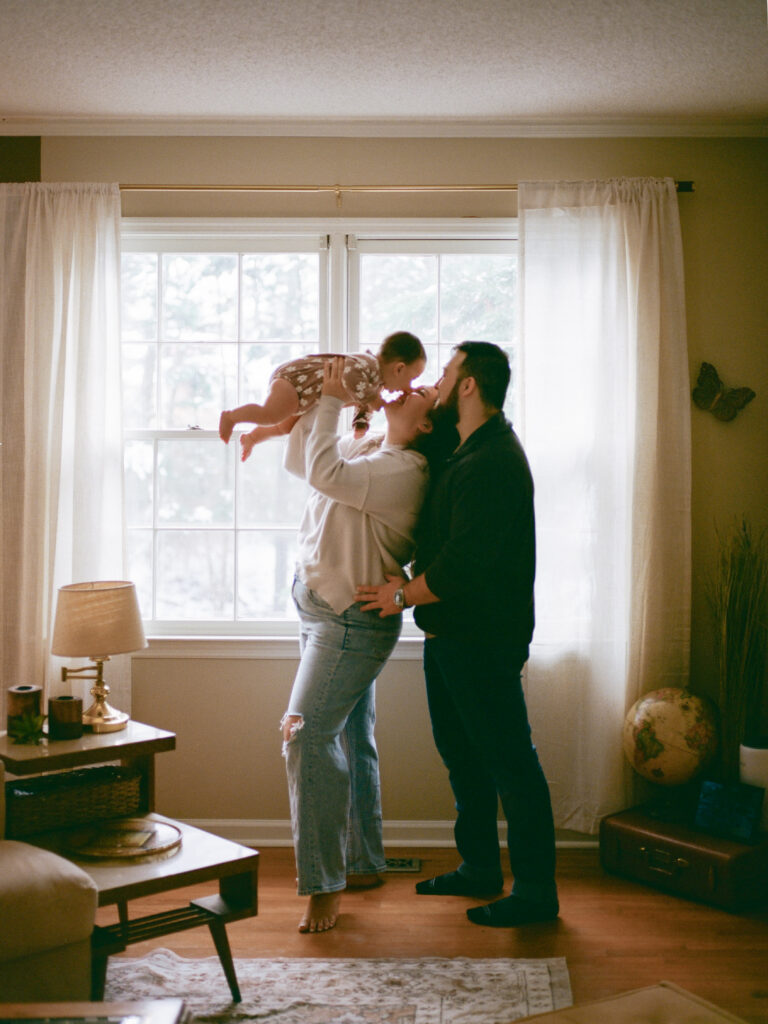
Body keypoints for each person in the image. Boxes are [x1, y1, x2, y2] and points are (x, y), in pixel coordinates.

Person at [355, 341, 559, 928]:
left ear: (470, 385)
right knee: (463, 758)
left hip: (483, 639)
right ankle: (479, 869)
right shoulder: (463, 448)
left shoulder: (495, 460)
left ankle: (537, 894)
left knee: (508, 761)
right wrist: (378, 396)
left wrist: (400, 595)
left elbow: (464, 565)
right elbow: (410, 430)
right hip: (450, 635)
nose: (438, 383)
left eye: (445, 373)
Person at [281, 356, 437, 934]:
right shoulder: (373, 446)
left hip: (348, 622)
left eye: (424, 395)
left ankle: (324, 886)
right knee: (348, 732)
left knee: (304, 734)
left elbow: (325, 472)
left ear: (425, 426)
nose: (411, 387)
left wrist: (327, 396)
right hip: (320, 604)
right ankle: (363, 861)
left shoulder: (407, 471)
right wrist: (340, 407)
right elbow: (304, 461)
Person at [219, 331, 427, 461]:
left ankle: (252, 437)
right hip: (296, 381)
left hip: (305, 396)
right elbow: (352, 379)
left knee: (285, 426)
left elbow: (361, 403)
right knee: (270, 414)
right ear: (399, 369)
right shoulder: (366, 363)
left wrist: (361, 423)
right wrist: (375, 401)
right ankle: (231, 417)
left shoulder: (374, 383)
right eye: (412, 378)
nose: (409, 387)